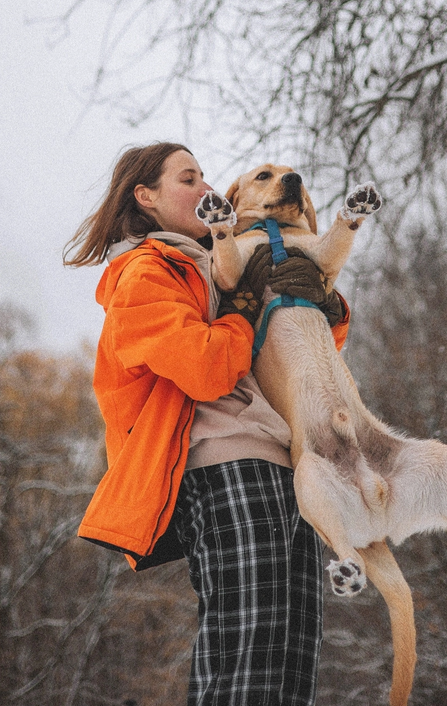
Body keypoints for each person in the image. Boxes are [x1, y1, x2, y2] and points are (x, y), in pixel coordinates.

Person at [64, 142, 351, 706]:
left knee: (293, 658)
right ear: (146, 198)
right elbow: (207, 367)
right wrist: (245, 309)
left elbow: (307, 352)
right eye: (188, 179)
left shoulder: (222, 259)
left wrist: (318, 302)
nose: (206, 189)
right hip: (222, 461)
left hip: (286, 461)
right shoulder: (145, 272)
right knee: (249, 650)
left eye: (206, 177)